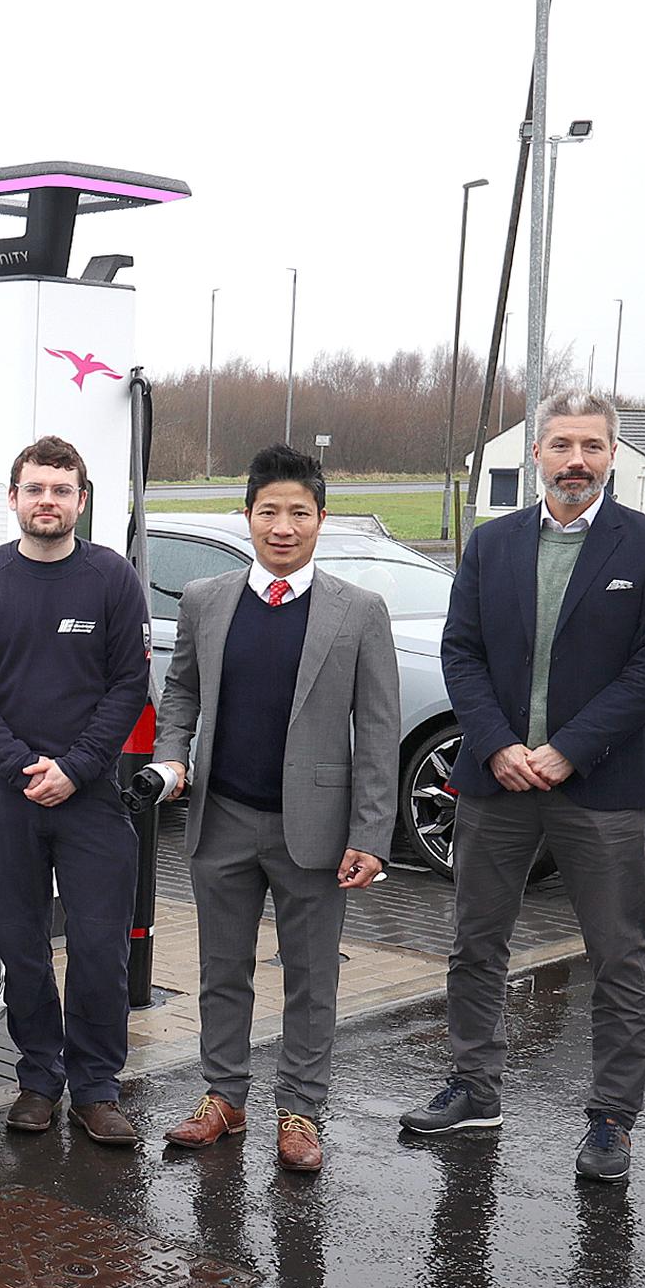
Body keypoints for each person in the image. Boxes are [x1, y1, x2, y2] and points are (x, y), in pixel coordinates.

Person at [400, 389, 645, 1183]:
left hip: (597, 784)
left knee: (618, 954)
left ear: (610, 455)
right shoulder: (490, 546)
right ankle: (473, 1085)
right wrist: (495, 744)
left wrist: (566, 749)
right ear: (535, 454)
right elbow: (459, 653)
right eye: (560, 445)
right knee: (474, 943)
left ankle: (609, 1119)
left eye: (591, 446)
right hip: (495, 781)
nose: (574, 461)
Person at [151, 444, 402, 1172]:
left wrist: (371, 833)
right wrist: (172, 755)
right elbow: (182, 693)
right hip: (221, 817)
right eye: (268, 511)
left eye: (298, 511)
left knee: (310, 974)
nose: (282, 526)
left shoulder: (358, 612)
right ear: (247, 516)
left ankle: (299, 1111)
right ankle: (223, 1097)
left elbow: (380, 729)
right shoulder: (205, 598)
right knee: (220, 968)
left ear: (320, 519)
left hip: (316, 831)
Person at [0, 435, 152, 1145]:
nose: (47, 502)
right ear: (13, 498)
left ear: (81, 501)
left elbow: (128, 684)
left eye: (61, 491)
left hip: (88, 796)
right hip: (8, 797)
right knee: (22, 945)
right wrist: (19, 765)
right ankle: (38, 1078)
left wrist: (75, 766)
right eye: (35, 489)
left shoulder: (111, 579)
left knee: (98, 947)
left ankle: (95, 1087)